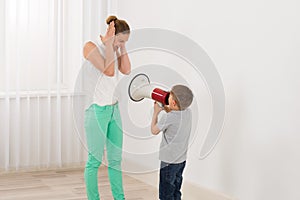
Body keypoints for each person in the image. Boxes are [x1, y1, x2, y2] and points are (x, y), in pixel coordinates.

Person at [82, 15, 131, 200]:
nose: (120, 45)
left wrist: (121, 47)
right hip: (96, 110)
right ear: (111, 36)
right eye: (120, 41)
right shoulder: (90, 47)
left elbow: (126, 70)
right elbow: (109, 71)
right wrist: (110, 45)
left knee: (115, 162)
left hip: (114, 110)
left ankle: (120, 198)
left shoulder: (117, 48)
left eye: (125, 42)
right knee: (94, 162)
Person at [151, 85, 194, 200]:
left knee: (166, 193)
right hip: (181, 160)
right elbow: (176, 112)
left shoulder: (168, 118)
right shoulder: (188, 112)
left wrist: (156, 113)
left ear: (173, 103)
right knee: (175, 190)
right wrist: (166, 108)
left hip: (168, 162)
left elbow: (154, 130)